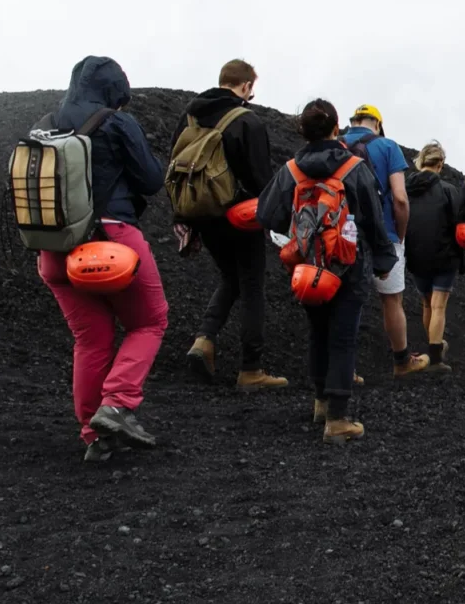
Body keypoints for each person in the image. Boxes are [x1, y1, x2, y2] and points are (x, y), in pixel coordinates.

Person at [35, 56, 169, 461]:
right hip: (111, 244)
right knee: (149, 321)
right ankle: (116, 404)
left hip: (54, 251)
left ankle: (94, 436)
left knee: (90, 339)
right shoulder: (116, 120)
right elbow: (150, 180)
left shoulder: (46, 122)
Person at [256, 99, 398, 443]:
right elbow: (373, 220)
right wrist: (382, 261)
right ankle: (337, 418)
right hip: (349, 262)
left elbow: (266, 214)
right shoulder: (355, 168)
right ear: (337, 129)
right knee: (344, 336)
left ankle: (320, 401)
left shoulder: (290, 170)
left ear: (302, 131)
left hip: (307, 264)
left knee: (318, 331)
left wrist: (298, 230)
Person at [177, 59, 287, 390]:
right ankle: (251, 369)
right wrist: (276, 216)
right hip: (239, 215)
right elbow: (259, 177)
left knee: (230, 276)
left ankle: (204, 340)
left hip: (201, 213)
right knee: (252, 284)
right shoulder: (245, 120)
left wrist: (183, 218)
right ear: (246, 86)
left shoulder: (190, 116)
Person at [340, 104, 428, 378]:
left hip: (341, 234)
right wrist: (399, 236)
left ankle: (345, 369)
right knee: (392, 300)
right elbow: (400, 198)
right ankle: (401, 361)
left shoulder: (337, 143)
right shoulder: (388, 146)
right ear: (377, 124)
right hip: (383, 234)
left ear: (353, 121)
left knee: (344, 301)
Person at [404, 141, 464, 373]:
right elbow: (457, 224)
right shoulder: (448, 190)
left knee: (427, 304)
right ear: (440, 164)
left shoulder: (407, 189)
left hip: (416, 255)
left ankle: (432, 348)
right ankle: (436, 359)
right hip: (443, 255)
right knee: (439, 306)